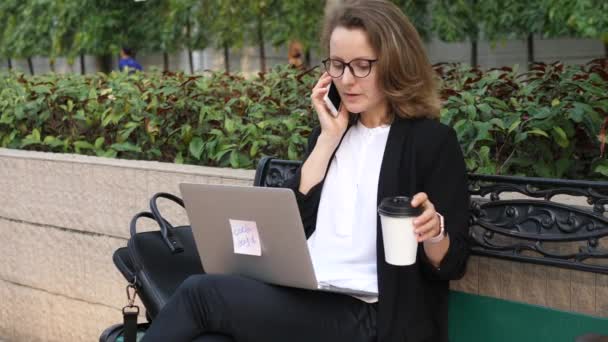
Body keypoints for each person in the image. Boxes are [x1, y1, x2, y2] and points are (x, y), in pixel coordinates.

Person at [142, 0, 470, 341]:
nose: (347, 80)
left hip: (373, 314)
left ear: (394, 64)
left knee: (201, 294)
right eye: (338, 65)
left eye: (362, 66)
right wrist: (327, 141)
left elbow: (454, 262)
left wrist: (434, 232)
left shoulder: (431, 142)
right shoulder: (330, 135)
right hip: (307, 294)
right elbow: (293, 226)